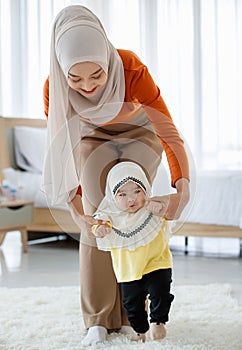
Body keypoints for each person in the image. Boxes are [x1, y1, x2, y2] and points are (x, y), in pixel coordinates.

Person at [42, 5, 190, 346]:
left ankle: (129, 311)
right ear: (61, 69)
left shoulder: (130, 66)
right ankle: (97, 317)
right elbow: (62, 151)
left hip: (139, 132)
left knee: (131, 208)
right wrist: (77, 210)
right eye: (75, 78)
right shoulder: (54, 87)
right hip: (91, 138)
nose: (88, 86)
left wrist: (181, 187)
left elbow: (166, 130)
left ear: (107, 60)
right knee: (99, 218)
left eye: (97, 74)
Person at [92, 161, 174, 343]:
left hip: (156, 262)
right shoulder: (109, 214)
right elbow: (97, 225)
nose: (131, 199)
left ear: (146, 188)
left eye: (137, 191)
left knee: (161, 292)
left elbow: (169, 213)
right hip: (128, 270)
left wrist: (160, 208)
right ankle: (139, 330)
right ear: (113, 196)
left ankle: (158, 321)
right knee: (132, 303)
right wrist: (99, 230)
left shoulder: (152, 206)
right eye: (122, 194)